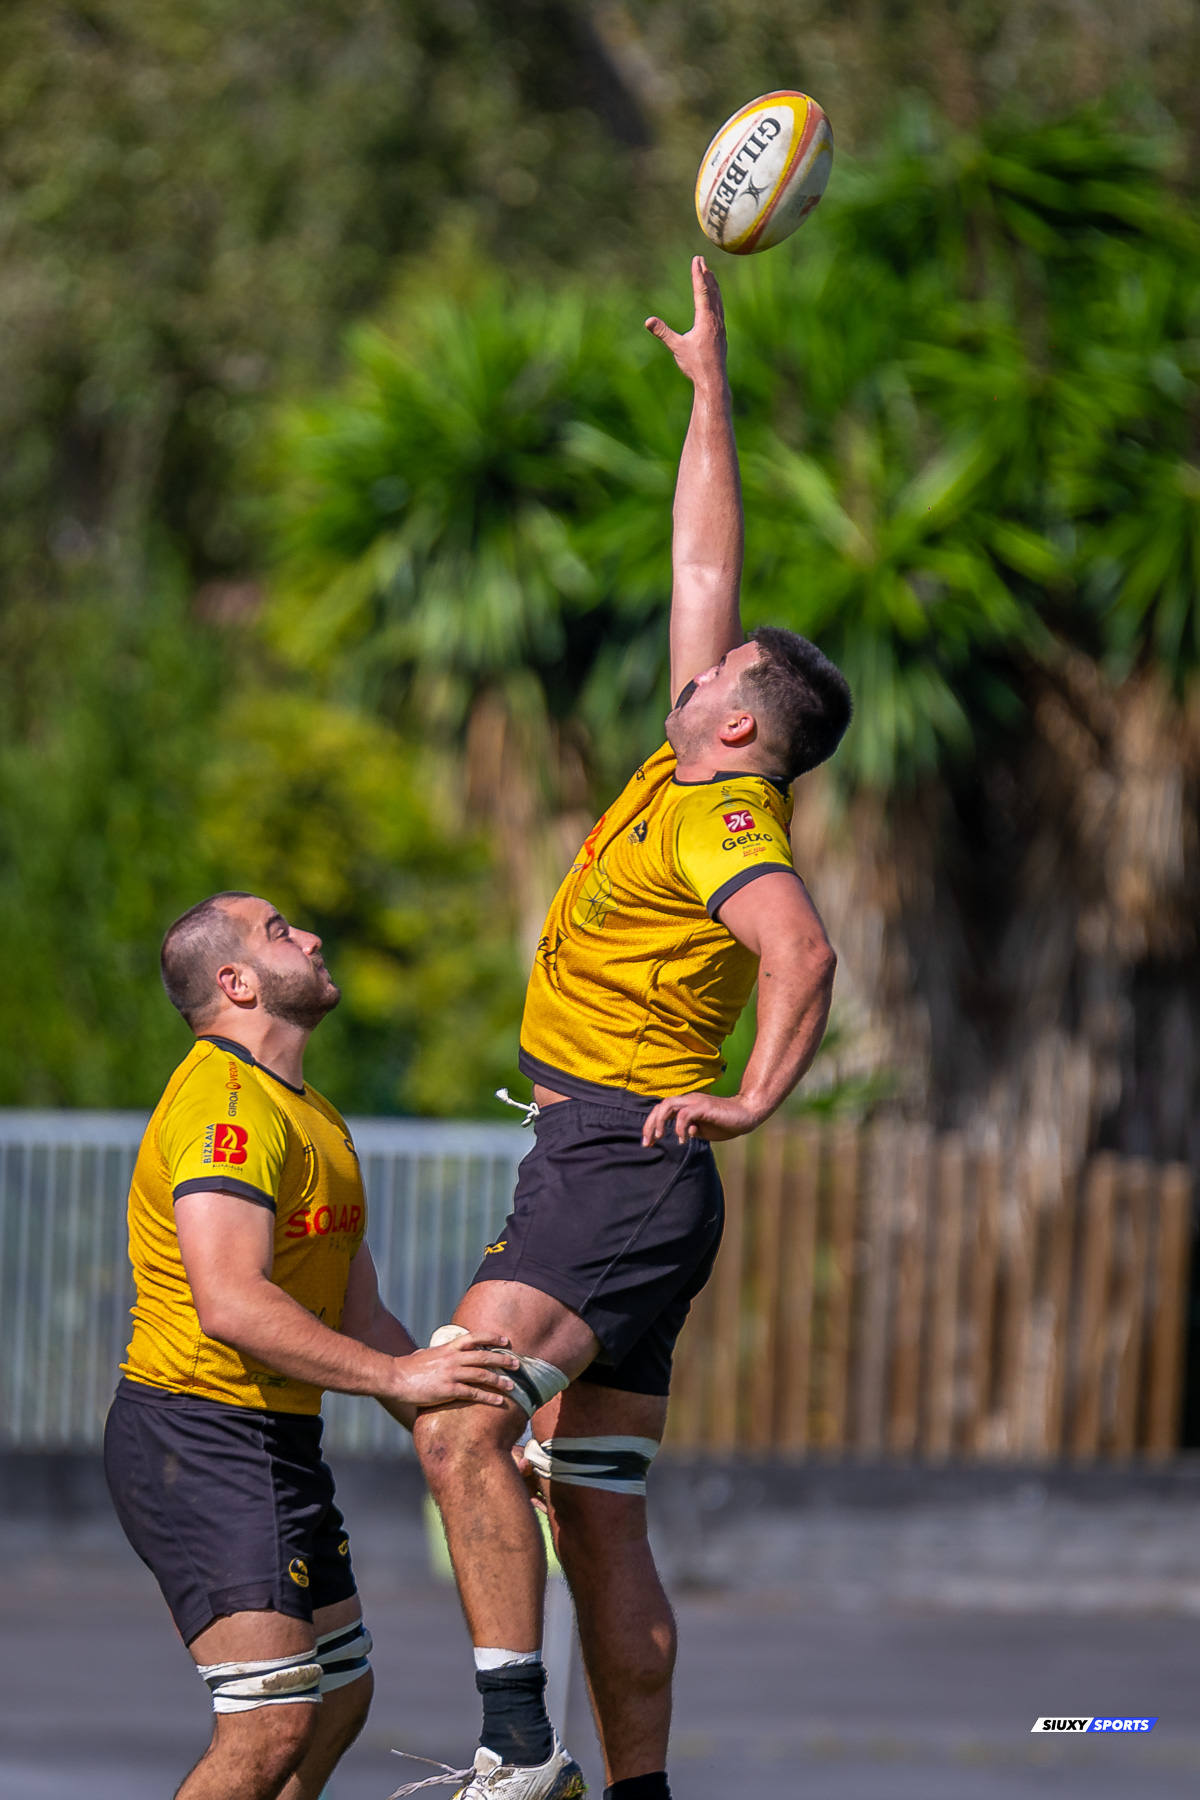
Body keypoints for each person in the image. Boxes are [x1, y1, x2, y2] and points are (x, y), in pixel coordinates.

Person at [409, 257, 852, 1800]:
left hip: (623, 1157)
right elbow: (701, 563)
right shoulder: (701, 763)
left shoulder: (725, 809)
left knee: (455, 1404)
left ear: (738, 723)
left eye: (720, 674)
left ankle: (516, 1749)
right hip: (616, 1163)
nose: (703, 655)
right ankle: (640, 1794)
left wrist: (754, 1101)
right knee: (593, 1501)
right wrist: (710, 398)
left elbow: (802, 949)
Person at [103, 891, 519, 1800]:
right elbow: (232, 1304)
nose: (314, 937)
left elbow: (359, 1315)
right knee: (271, 1720)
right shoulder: (226, 1108)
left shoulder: (313, 1115)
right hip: (195, 1435)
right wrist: (398, 1375)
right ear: (236, 981)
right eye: (281, 931)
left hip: (270, 1441)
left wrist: (470, 1434)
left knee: (336, 1701)